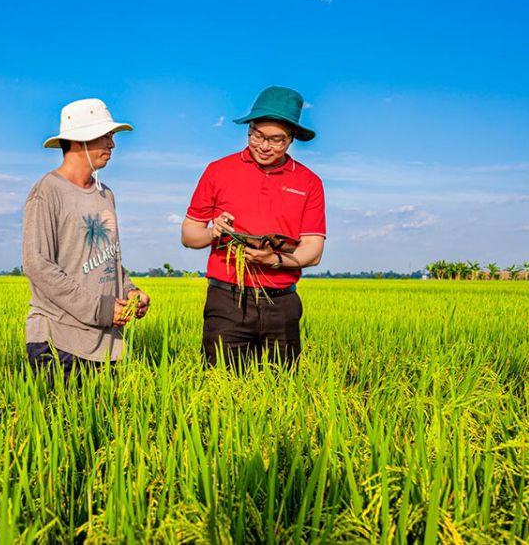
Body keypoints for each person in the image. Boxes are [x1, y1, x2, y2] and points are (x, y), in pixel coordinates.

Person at [181, 86, 326, 371]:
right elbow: (188, 235)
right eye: (257, 135)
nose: (264, 146)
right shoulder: (218, 170)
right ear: (249, 127)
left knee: (282, 390)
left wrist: (273, 260)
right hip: (226, 300)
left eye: (276, 140)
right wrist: (213, 231)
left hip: (281, 302)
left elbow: (314, 250)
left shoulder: (309, 182)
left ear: (292, 138)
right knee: (221, 387)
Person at [22, 98, 150, 386]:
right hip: (59, 342)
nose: (112, 144)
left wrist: (130, 291)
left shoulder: (106, 194)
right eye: (106, 136)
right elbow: (37, 265)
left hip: (105, 343)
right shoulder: (47, 192)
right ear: (80, 140)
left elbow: (108, 259)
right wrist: (100, 309)